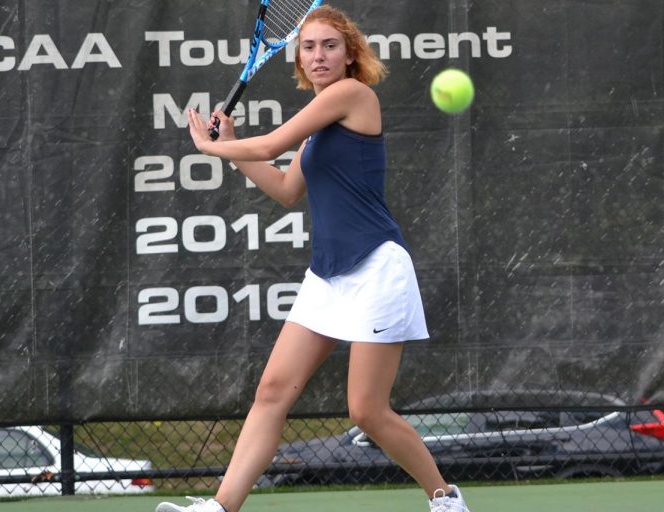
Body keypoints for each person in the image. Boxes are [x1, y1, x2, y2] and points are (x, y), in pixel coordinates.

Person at [155, 6, 470, 512]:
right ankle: (220, 507)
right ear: (298, 58)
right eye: (308, 47)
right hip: (327, 276)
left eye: (329, 46)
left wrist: (209, 149)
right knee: (273, 391)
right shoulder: (316, 129)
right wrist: (232, 145)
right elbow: (284, 188)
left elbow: (273, 143)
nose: (318, 55)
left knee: (366, 411)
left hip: (375, 267)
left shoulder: (353, 95)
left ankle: (445, 498)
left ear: (349, 56)